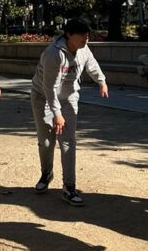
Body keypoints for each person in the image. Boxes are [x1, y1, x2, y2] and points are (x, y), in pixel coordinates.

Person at [30, 18, 108, 206]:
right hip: (43, 97)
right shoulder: (54, 54)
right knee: (46, 141)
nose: (86, 38)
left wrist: (101, 81)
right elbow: (49, 87)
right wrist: (57, 114)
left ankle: (69, 187)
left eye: (87, 35)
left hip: (69, 97)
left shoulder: (83, 48)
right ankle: (46, 173)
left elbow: (91, 64)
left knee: (68, 141)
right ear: (69, 35)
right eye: (82, 35)